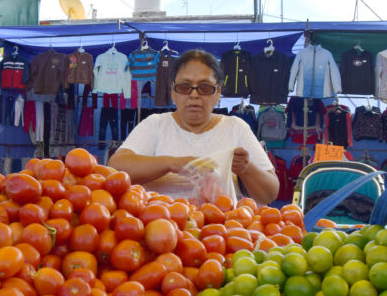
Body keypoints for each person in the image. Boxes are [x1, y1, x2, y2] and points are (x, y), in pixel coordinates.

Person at [109, 49, 279, 205]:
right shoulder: (155, 125)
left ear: (218, 92)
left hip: (221, 232)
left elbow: (269, 194)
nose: (194, 95)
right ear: (173, 92)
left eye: (204, 87)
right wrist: (171, 163)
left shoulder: (236, 128)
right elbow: (116, 168)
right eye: (185, 87)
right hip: (161, 228)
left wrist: (246, 168)